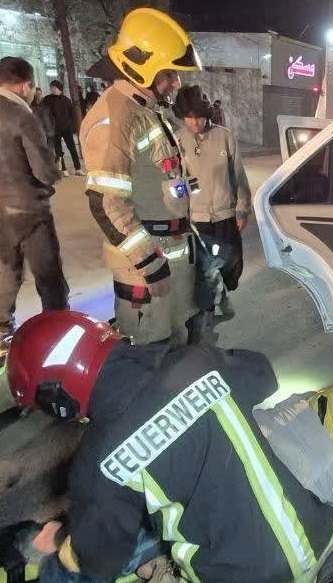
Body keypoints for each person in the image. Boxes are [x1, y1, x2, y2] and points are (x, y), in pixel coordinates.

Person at [4, 310, 333, 583]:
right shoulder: (196, 360)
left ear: (57, 399)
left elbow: (102, 561)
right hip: (321, 535)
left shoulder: (99, 463)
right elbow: (263, 375)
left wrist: (64, 551)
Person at [80, 7, 203, 346]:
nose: (176, 83)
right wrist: (149, 264)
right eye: (169, 74)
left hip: (171, 257)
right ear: (141, 67)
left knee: (178, 346)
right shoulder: (116, 117)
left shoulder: (145, 110)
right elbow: (106, 203)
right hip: (147, 270)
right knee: (151, 358)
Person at [0, 57, 67, 361]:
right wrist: (53, 177)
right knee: (48, 274)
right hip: (29, 209)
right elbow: (43, 168)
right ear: (26, 85)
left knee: (6, 272)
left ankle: (2, 331)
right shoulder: (22, 115)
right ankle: (57, 329)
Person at [173, 86, 251, 294]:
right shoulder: (177, 140)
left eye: (199, 117)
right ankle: (208, 305)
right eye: (189, 118)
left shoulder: (224, 136)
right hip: (197, 218)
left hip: (225, 215)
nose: (195, 123)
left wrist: (242, 209)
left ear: (206, 114)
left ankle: (223, 294)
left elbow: (238, 176)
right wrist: (180, 213)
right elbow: (177, 180)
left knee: (231, 265)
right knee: (202, 270)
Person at [42, 80, 83, 177]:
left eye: (54, 87)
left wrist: (70, 125)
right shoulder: (47, 100)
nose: (52, 89)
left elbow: (71, 114)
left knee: (72, 147)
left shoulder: (66, 100)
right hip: (54, 129)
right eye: (51, 87)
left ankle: (78, 168)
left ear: (59, 88)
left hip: (66, 128)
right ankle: (63, 169)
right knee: (58, 149)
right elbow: (44, 113)